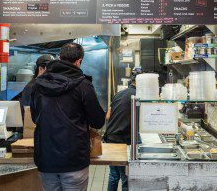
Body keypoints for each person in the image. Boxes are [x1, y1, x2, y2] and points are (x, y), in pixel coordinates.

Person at [30, 42, 106, 191]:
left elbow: (34, 118)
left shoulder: (38, 84)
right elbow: (98, 121)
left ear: (59, 57)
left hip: (46, 160)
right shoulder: (83, 85)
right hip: (74, 160)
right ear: (79, 62)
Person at [103, 70, 141, 191]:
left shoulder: (119, 94)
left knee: (114, 175)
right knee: (126, 176)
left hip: (110, 138)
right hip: (122, 141)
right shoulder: (138, 96)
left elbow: (108, 116)